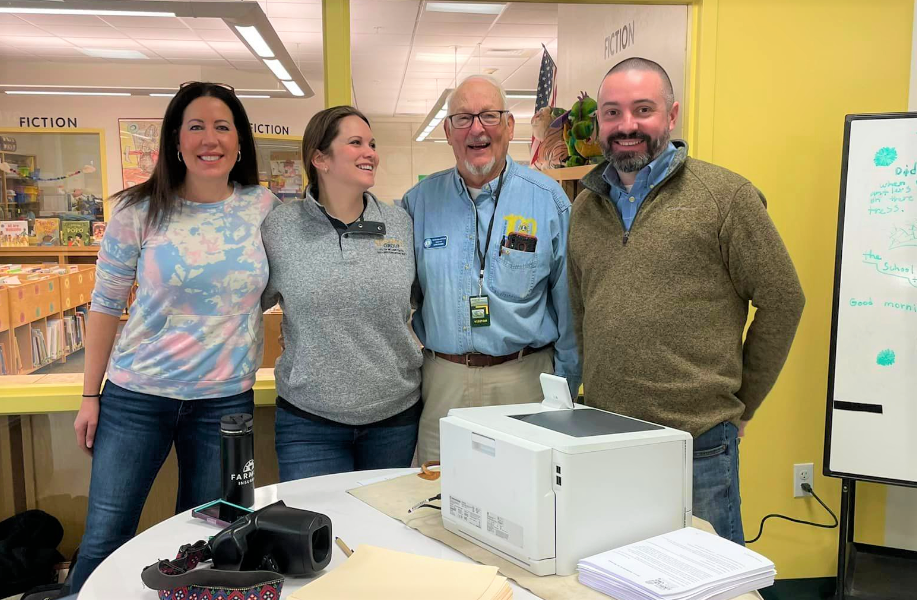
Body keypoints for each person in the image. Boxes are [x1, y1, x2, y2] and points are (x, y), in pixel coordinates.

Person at [567, 57, 805, 545]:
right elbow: (580, 310)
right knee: (618, 569)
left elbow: (783, 299)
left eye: (643, 109)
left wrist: (745, 404)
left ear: (671, 115)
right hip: (607, 436)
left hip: (697, 442)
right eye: (612, 113)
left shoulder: (725, 197)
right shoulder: (586, 206)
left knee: (712, 580)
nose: (626, 125)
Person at [70, 81, 278, 590]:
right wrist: (89, 394)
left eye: (223, 127)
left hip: (224, 404)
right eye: (196, 127)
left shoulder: (264, 208)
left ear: (240, 142)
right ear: (176, 140)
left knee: (204, 541)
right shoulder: (137, 210)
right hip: (136, 396)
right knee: (106, 536)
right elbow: (105, 305)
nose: (210, 138)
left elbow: (275, 290)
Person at [402, 75, 581, 463]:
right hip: (443, 384)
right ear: (448, 132)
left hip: (523, 381)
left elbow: (570, 309)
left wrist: (563, 396)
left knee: (523, 502)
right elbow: (400, 297)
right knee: (437, 503)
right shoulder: (418, 204)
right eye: (463, 118)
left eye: (489, 116)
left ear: (509, 127)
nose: (477, 128)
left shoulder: (548, 200)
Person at [261, 106, 422, 482]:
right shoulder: (280, 227)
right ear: (320, 158)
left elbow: (419, 300)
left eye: (372, 144)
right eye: (355, 143)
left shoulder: (400, 223)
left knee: (382, 532)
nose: (370, 152)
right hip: (309, 423)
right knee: (317, 534)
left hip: (394, 418)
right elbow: (251, 301)